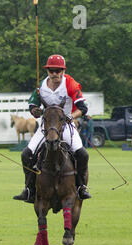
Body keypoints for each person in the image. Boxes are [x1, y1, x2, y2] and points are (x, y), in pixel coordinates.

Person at [13, 54, 92, 203]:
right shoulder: (41, 86)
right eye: (51, 70)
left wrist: (72, 116)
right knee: (26, 154)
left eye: (58, 70)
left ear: (63, 71)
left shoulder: (71, 84)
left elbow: (83, 108)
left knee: (83, 154)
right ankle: (29, 189)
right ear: (48, 71)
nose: (55, 74)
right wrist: (35, 111)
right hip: (46, 127)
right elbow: (32, 105)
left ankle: (81, 187)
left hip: (66, 126)